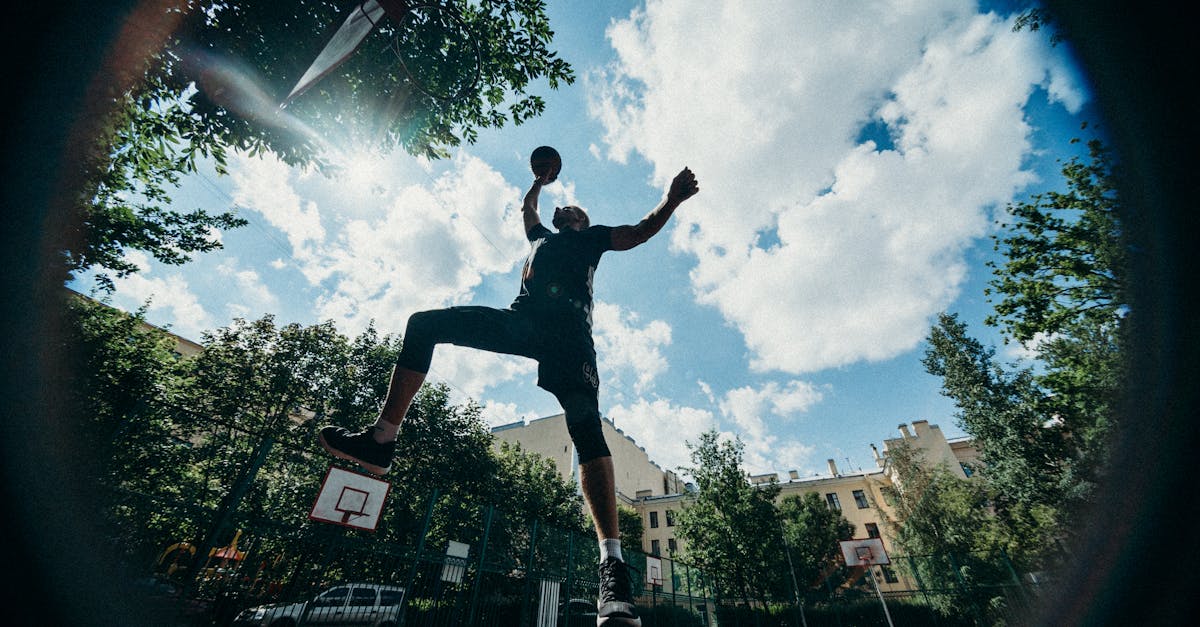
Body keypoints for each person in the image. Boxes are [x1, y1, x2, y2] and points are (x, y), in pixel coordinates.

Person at [318, 160, 699, 626]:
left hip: (568, 338)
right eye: (559, 207)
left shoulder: (591, 238)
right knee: (424, 324)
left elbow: (640, 231)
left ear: (579, 218)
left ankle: (612, 567)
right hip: (520, 323)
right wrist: (537, 184)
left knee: (584, 425)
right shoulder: (540, 239)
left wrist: (673, 198)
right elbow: (527, 210)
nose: (563, 208)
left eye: (570, 207)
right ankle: (381, 440)